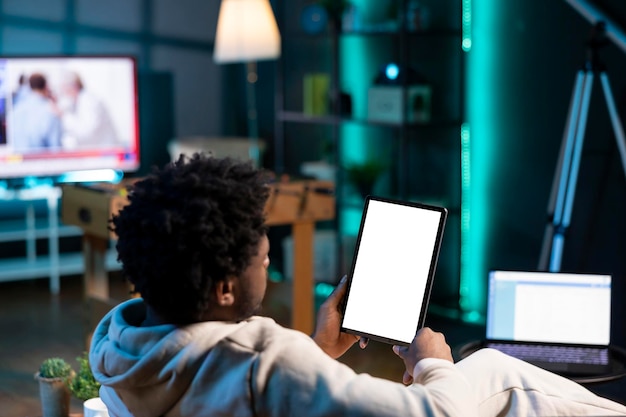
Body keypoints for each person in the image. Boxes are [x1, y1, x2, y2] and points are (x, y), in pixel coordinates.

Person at [89, 154, 626, 417]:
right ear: (225, 290)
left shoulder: (120, 351)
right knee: (491, 372)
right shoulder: (261, 362)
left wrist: (321, 349)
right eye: (258, 246)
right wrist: (433, 362)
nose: (268, 250)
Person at [57, 71, 118, 147]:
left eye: (63, 88)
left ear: (73, 86)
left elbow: (87, 132)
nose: (63, 93)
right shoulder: (78, 102)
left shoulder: (90, 101)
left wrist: (64, 116)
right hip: (96, 150)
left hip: (104, 152)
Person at [10, 73, 62, 152]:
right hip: (43, 162)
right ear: (46, 87)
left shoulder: (15, 110)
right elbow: (56, 149)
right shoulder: (51, 111)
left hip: (18, 161)